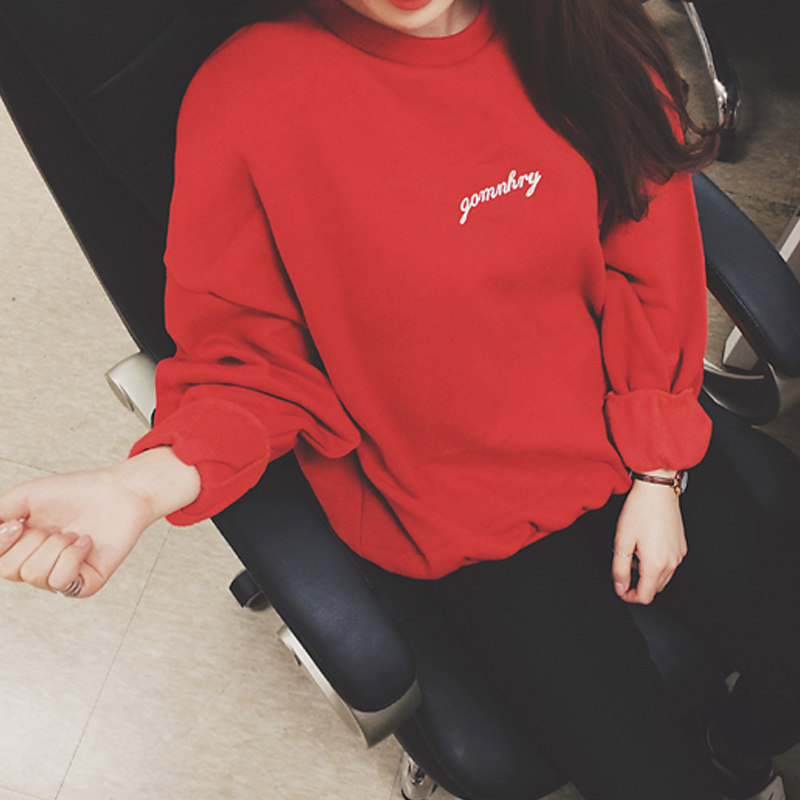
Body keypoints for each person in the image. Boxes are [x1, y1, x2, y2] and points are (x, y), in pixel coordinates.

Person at [0, 0, 798, 797]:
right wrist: (140, 488)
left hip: (629, 435)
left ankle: (738, 751)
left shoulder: (579, 30)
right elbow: (250, 367)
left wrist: (658, 473)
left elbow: (652, 262)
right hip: (462, 517)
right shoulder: (250, 96)